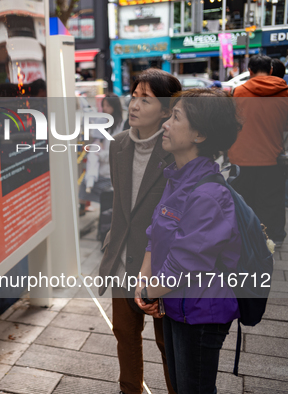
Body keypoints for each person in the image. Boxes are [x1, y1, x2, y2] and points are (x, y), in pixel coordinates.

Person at [135, 88, 242, 393]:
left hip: (200, 314)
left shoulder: (209, 194)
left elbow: (182, 264)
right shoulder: (177, 176)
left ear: (200, 135)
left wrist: (146, 290)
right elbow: (154, 234)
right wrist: (144, 283)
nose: (166, 124)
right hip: (175, 302)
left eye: (176, 117)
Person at [98, 69, 181, 394]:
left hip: (163, 268)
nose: (134, 104)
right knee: (125, 335)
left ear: (165, 109)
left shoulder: (178, 149)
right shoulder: (117, 144)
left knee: (168, 344)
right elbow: (122, 205)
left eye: (145, 99)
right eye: (134, 96)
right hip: (122, 260)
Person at [229, 55, 288, 246]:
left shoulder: (237, 92)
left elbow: (230, 123)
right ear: (271, 71)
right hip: (272, 157)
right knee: (271, 201)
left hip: (241, 157)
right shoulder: (284, 92)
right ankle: (273, 238)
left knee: (243, 202)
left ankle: (244, 238)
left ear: (250, 71)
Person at [79, 93, 124, 213]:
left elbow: (118, 150)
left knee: (109, 206)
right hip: (101, 170)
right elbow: (97, 141)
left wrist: (101, 154)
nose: (105, 108)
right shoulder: (104, 121)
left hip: (110, 172)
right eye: (103, 105)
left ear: (115, 106)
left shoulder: (121, 125)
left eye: (107, 105)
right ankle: (83, 206)